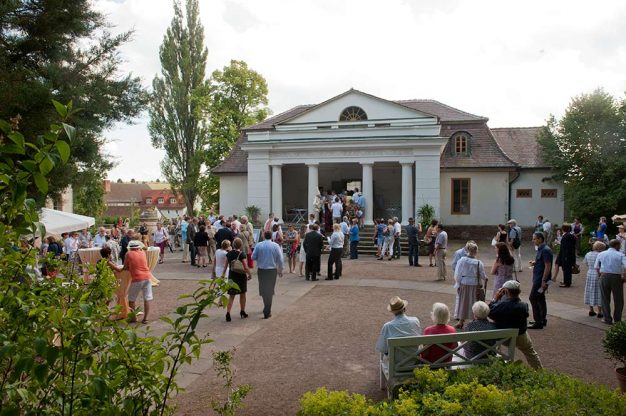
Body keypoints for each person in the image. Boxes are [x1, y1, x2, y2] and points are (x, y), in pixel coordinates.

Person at [489, 280, 542, 369]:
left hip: (504, 337)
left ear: (505, 291)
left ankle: (497, 366)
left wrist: (496, 298)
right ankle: (539, 370)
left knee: (494, 344)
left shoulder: (501, 305)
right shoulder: (524, 305)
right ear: (519, 292)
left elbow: (489, 311)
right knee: (530, 352)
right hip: (520, 335)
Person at [375, 296, 422, 362]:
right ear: (404, 309)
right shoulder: (415, 321)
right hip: (414, 361)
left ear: (393, 312)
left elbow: (382, 348)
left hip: (396, 363)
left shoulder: (387, 326)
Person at [453, 242, 486, 329]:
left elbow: (458, 273)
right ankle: (473, 321)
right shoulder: (479, 263)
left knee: (463, 302)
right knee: (474, 301)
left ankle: (461, 321)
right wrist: (485, 279)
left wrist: (458, 283)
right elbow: (483, 275)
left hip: (464, 282)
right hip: (475, 284)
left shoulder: (462, 260)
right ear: (476, 251)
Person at [251, 230, 284, 319]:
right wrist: (280, 270)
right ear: (271, 236)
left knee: (263, 289)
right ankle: (267, 308)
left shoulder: (259, 245)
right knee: (270, 289)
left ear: (264, 236)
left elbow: (253, 257)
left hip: (262, 270)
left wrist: (260, 257)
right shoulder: (275, 245)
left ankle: (266, 308)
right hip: (272, 270)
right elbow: (280, 259)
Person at [594, 239, 626, 325]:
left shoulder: (601, 254)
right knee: (618, 299)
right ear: (617, 246)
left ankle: (607, 318)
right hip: (616, 276)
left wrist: (599, 276)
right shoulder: (621, 255)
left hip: (604, 275)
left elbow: (596, 267)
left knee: (605, 298)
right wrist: (624, 277)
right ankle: (617, 319)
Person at [124, 240, 155, 324]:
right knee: (147, 298)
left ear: (130, 248)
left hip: (137, 278)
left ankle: (133, 318)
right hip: (147, 277)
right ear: (138, 247)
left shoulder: (128, 254)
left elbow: (125, 267)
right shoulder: (142, 252)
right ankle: (146, 319)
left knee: (131, 299)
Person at [528, 232, 552, 329]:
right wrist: (535, 263)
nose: (533, 241)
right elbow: (543, 263)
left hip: (540, 279)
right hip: (539, 278)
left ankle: (538, 321)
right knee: (540, 298)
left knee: (533, 297)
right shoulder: (542, 249)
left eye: (534, 239)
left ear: (540, 239)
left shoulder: (545, 250)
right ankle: (542, 319)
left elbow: (548, 266)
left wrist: (544, 280)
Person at [225, 238, 252, 322]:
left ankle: (228, 313)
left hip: (231, 276)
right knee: (242, 294)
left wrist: (223, 274)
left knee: (231, 295)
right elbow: (245, 266)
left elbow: (226, 265)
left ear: (233, 245)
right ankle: (242, 311)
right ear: (241, 245)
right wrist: (249, 274)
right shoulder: (242, 254)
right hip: (241, 276)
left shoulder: (229, 254)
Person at [584, 241, 605, 318]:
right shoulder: (600, 255)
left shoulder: (588, 254)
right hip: (598, 273)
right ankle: (600, 311)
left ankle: (591, 310)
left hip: (590, 273)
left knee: (589, 290)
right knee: (599, 291)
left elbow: (586, 263)